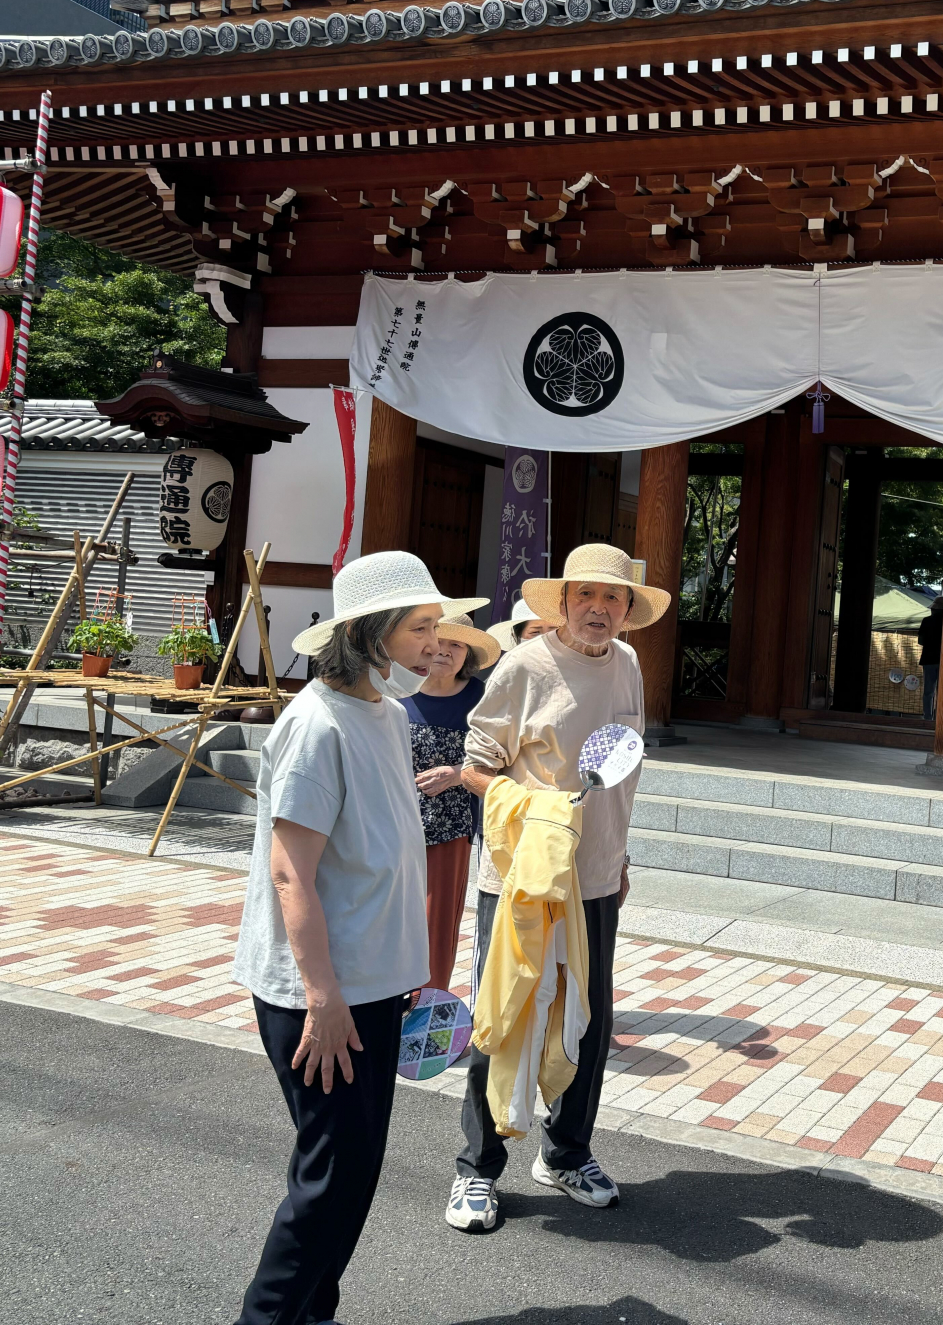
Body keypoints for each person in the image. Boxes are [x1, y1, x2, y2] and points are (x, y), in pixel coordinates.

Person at [230, 551, 478, 1325]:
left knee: (352, 1171)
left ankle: (314, 1313)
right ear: (369, 633)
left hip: (373, 984)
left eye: (438, 625)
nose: (437, 642)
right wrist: (323, 997)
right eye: (419, 628)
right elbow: (290, 875)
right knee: (330, 1179)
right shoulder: (316, 726)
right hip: (324, 993)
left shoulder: (388, 715)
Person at [445, 543, 670, 1234]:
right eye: (586, 596)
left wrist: (619, 859)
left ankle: (567, 1153)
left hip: (596, 876)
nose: (599, 609)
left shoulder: (628, 665)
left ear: (627, 610)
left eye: (613, 598)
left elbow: (620, 775)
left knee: (589, 1020)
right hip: (523, 878)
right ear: (564, 602)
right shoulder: (524, 666)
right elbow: (476, 766)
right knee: (505, 1013)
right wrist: (539, 810)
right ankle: (477, 1169)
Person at [403, 607, 499, 994]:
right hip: (392, 823)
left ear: (468, 655)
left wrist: (458, 773)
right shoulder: (397, 691)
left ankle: (427, 1006)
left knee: (436, 922)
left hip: (451, 827)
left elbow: (504, 756)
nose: (444, 650)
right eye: (438, 640)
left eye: (456, 645)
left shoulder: (483, 698)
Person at [917, 595, 943, 719]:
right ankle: (940, 718)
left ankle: (927, 717)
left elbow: (920, 641)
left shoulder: (926, 621)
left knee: (928, 691)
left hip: (928, 659)